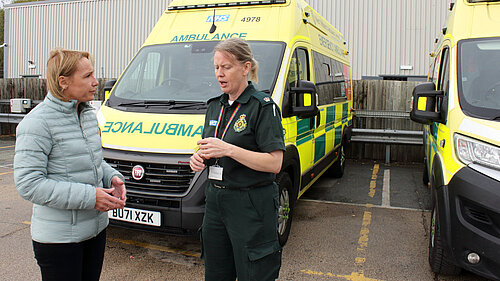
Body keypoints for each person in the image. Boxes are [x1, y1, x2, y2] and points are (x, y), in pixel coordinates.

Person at [14, 48, 126, 281]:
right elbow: (28, 184)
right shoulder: (36, 124)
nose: (95, 82)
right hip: (59, 241)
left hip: (94, 232)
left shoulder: (86, 114)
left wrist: (112, 177)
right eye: (87, 76)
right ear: (63, 81)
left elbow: (92, 160)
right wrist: (90, 196)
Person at [190, 38, 285, 281]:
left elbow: (274, 163)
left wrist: (229, 150)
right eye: (216, 67)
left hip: (250, 204)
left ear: (245, 68)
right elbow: (212, 148)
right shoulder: (215, 106)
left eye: (226, 67)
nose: (219, 74)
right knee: (216, 272)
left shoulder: (262, 107)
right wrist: (199, 157)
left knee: (254, 272)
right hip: (216, 202)